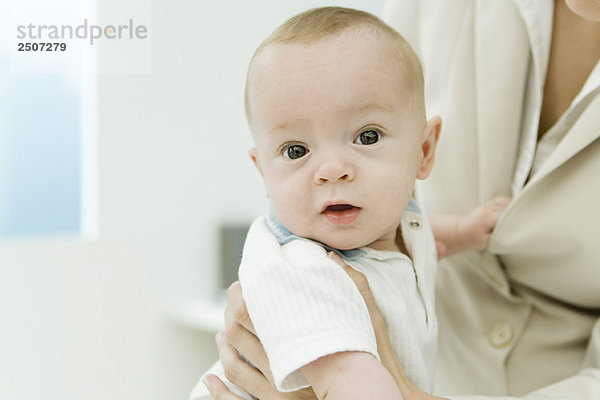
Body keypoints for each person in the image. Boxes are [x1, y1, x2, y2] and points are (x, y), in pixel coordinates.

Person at [202, 0, 600, 399]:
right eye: (295, 151)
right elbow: (351, 382)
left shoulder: (386, 220)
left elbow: (416, 231)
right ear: (262, 173)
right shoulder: (308, 274)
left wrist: (462, 232)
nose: (331, 169)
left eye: (367, 137)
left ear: (424, 151)